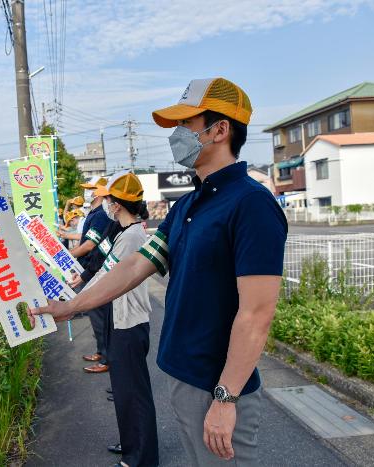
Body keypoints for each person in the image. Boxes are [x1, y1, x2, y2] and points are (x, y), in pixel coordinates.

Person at [31, 77, 288, 466]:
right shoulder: (188, 205)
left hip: (215, 383)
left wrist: (226, 397)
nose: (177, 135)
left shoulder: (252, 204)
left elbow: (257, 312)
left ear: (220, 129)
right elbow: (136, 264)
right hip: (182, 373)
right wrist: (73, 305)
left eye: (186, 124)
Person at [86, 171, 158, 467]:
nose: (105, 204)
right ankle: (131, 445)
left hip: (129, 322)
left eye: (108, 199)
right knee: (126, 391)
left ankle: (141, 458)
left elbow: (108, 276)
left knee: (133, 393)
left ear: (117, 204)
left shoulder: (130, 237)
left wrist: (72, 300)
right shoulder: (126, 232)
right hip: (123, 320)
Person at [68, 176, 115, 373]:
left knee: (99, 316)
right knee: (96, 316)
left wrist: (65, 256)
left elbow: (90, 245)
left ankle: (106, 358)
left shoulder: (100, 216)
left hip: (95, 271)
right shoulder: (94, 214)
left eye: (91, 188)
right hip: (90, 270)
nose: (88, 192)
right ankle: (101, 351)